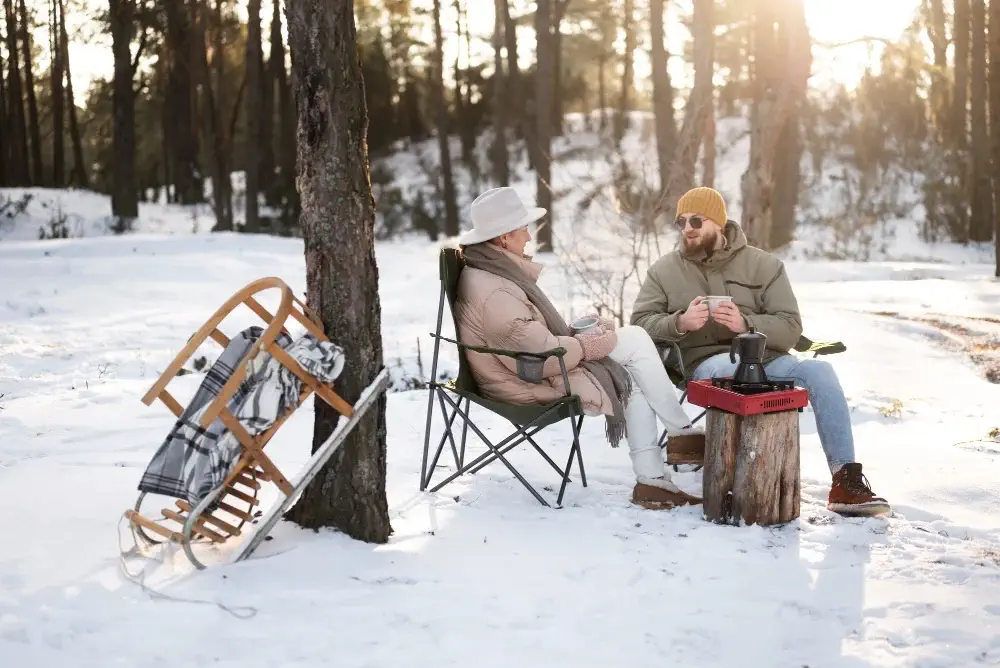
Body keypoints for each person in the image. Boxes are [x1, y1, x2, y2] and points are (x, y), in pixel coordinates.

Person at [630, 186, 890, 517]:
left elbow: (791, 325)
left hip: (767, 359)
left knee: (819, 372)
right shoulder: (665, 270)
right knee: (730, 369)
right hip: (706, 364)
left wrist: (746, 323)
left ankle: (845, 482)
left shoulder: (763, 265)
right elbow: (639, 323)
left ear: (719, 223)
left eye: (696, 220)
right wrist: (679, 323)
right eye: (681, 222)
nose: (687, 229)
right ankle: (741, 478)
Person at [453, 186, 701, 510]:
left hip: (529, 368)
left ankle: (657, 476)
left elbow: (530, 338)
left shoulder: (493, 273)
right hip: (527, 383)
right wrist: (587, 343)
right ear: (502, 238)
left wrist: (575, 335)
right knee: (634, 351)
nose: (529, 236)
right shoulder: (495, 291)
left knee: (631, 363)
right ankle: (678, 442)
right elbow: (540, 358)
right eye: (523, 228)